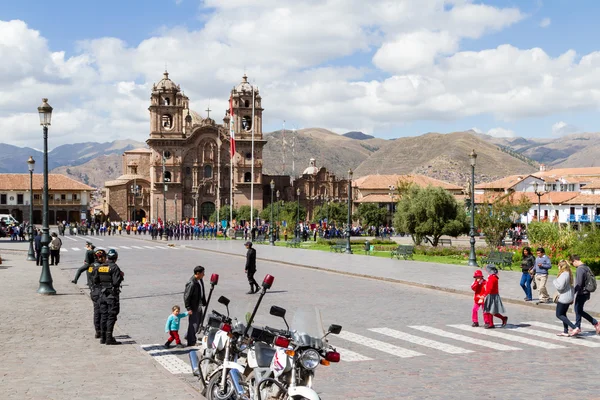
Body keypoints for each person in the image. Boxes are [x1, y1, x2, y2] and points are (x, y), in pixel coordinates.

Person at [93, 248, 124, 345]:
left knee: (103, 315)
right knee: (111, 316)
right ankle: (109, 338)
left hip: (102, 294)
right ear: (116, 258)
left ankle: (103, 337)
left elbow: (95, 280)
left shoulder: (100, 267)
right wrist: (121, 276)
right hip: (111, 295)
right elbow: (116, 282)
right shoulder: (114, 267)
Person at [570, 254, 600, 335]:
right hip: (587, 292)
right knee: (578, 310)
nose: (573, 265)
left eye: (572, 263)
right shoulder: (586, 267)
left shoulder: (580, 269)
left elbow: (579, 283)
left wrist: (573, 293)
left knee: (578, 310)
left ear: (575, 261)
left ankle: (595, 323)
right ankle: (578, 327)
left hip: (582, 292)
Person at [553, 260, 577, 337]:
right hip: (568, 297)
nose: (558, 268)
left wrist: (554, 281)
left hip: (564, 298)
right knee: (563, 314)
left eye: (558, 266)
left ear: (561, 266)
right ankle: (565, 331)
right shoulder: (569, 273)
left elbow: (560, 287)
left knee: (559, 314)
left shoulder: (564, 274)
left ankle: (574, 327)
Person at [184, 266, 206, 347]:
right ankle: (191, 341)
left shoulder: (199, 280)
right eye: (203, 273)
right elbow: (186, 296)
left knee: (199, 321)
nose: (204, 274)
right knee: (193, 324)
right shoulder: (192, 283)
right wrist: (188, 308)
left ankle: (188, 335)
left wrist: (203, 300)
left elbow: (201, 291)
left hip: (198, 305)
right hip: (193, 307)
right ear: (198, 273)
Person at [87, 248, 105, 339]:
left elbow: (89, 277)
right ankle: (102, 331)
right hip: (101, 291)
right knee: (103, 312)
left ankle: (97, 331)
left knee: (96, 312)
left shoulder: (91, 266)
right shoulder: (103, 267)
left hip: (93, 291)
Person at [483, 264, 508, 329]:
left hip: (491, 295)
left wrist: (485, 294)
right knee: (490, 310)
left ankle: (501, 319)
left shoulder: (492, 277)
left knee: (491, 310)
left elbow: (490, 288)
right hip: (491, 294)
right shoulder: (492, 276)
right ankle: (491, 323)